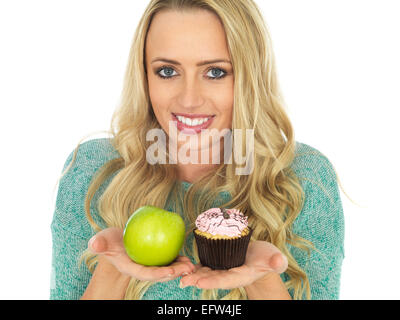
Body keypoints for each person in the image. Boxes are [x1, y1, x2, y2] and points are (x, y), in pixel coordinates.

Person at [50, 0, 345, 300]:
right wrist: (112, 269)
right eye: (167, 71)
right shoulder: (92, 172)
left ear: (249, 77)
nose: (189, 100)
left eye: (215, 72)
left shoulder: (303, 180)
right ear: (144, 76)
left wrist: (263, 282)